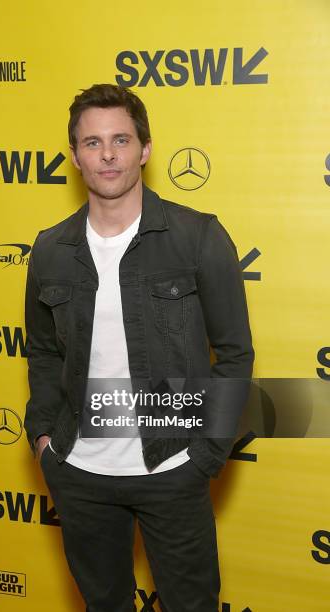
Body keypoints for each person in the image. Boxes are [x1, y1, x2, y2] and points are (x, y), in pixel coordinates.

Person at [24, 83, 254, 612]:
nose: (107, 154)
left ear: (145, 150)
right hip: (78, 472)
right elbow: (42, 352)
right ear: (76, 156)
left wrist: (205, 455)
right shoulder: (50, 250)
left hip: (172, 466)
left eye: (121, 140)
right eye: (92, 142)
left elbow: (235, 354)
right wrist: (44, 441)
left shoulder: (197, 237)